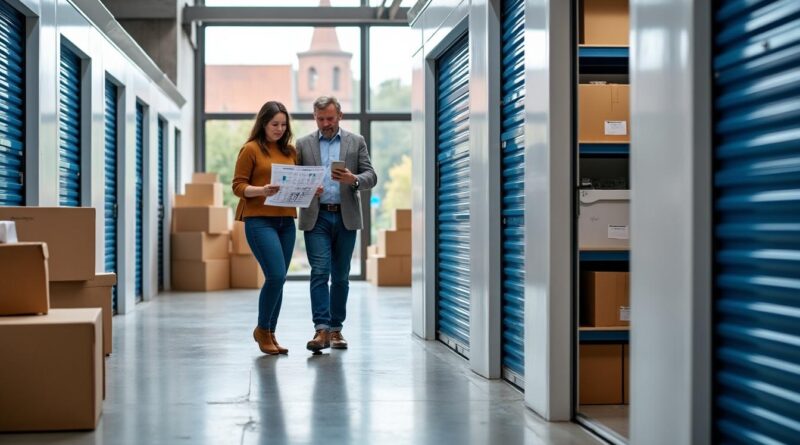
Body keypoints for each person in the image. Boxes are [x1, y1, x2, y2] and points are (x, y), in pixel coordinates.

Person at [232, 101, 320, 355]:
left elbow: (299, 181)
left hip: (285, 222)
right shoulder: (250, 150)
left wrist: (311, 188)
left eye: (283, 125)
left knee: (280, 279)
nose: (280, 129)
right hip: (259, 220)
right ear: (263, 124)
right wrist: (262, 190)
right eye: (274, 124)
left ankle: (270, 333)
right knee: (276, 275)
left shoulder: (291, 152)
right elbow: (238, 186)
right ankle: (262, 329)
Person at [296, 96, 377, 353]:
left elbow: (371, 176)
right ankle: (321, 330)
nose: (325, 124)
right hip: (316, 217)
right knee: (320, 271)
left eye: (330, 118)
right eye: (320, 119)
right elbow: (294, 180)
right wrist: (308, 188)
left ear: (340, 116)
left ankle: (336, 329)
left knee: (340, 276)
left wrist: (353, 179)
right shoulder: (303, 144)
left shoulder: (356, 142)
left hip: (346, 216)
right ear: (314, 118)